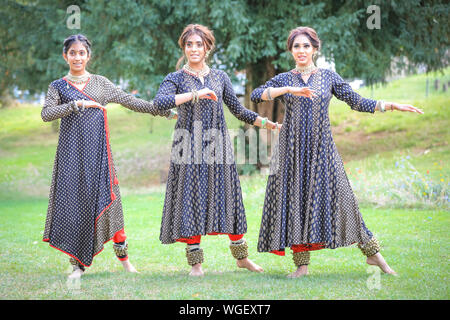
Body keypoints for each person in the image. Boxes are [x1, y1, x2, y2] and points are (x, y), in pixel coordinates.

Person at [251, 26, 423, 278]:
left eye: (306, 46)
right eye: (296, 46)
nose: (301, 51)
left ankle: (374, 255)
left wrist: (391, 105)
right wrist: (287, 90)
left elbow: (357, 101)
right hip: (291, 151)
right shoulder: (285, 79)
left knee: (344, 201)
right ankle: (302, 266)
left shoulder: (328, 77)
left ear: (315, 49)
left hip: (323, 151)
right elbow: (257, 95)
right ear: (291, 50)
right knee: (295, 202)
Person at [41, 34, 177, 278]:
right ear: (65, 56)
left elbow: (130, 101)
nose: (77, 57)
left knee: (112, 203)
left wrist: (163, 111)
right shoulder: (58, 86)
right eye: (72, 53)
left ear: (88, 56)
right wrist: (77, 105)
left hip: (100, 156)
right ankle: (77, 265)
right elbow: (46, 114)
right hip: (72, 157)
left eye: (82, 53)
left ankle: (124, 260)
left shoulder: (100, 84)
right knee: (76, 207)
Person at [154, 24, 279, 276]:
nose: (193, 49)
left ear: (207, 47)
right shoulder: (175, 78)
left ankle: (242, 258)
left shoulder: (220, 77)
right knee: (191, 200)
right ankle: (196, 264)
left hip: (217, 145)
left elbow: (237, 109)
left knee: (228, 198)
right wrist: (195, 94)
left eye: (198, 44)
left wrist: (266, 123)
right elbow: (160, 104)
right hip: (187, 145)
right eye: (189, 45)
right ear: (184, 48)